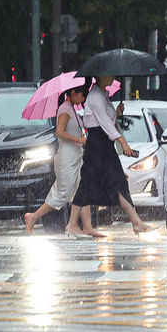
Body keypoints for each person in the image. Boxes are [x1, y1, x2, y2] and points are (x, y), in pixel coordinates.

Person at [65, 75, 156, 235]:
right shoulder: (95, 96)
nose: (112, 77)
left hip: (105, 144)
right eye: (109, 74)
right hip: (97, 144)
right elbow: (104, 123)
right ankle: (72, 224)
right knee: (88, 182)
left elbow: (108, 120)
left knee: (119, 181)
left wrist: (117, 113)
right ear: (101, 76)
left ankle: (136, 222)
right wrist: (123, 142)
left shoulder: (103, 95)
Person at [24, 84, 104, 236]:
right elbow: (59, 132)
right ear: (73, 93)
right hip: (66, 158)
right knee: (62, 193)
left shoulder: (73, 110)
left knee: (83, 190)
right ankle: (33, 217)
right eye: (82, 96)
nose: (83, 100)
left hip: (76, 156)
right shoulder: (65, 110)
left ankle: (87, 226)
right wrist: (79, 140)